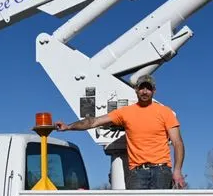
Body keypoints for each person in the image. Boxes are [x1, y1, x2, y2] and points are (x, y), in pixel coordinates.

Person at [55, 74, 185, 189]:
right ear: (136, 90)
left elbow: (177, 142)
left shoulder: (165, 112)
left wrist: (177, 171)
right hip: (137, 172)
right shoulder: (125, 113)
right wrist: (68, 126)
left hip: (161, 170)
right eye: (141, 88)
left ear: (154, 91)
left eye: (148, 88)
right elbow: (93, 122)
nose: (145, 91)